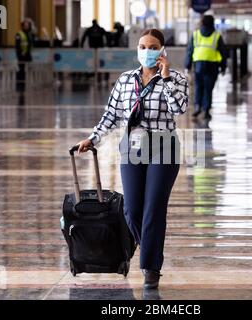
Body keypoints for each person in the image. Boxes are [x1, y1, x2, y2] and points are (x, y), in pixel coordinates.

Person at [75, 29, 188, 290]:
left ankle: (151, 267)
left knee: (153, 210)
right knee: (132, 210)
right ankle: (148, 247)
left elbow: (179, 109)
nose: (147, 51)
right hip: (133, 146)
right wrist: (93, 138)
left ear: (162, 51)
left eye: (153, 47)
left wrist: (166, 77)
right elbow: (112, 115)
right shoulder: (126, 80)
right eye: (142, 46)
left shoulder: (177, 79)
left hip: (164, 146)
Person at [185, 15, 227, 120]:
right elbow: (223, 52)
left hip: (198, 64)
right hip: (212, 65)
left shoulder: (196, 34)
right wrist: (223, 66)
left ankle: (197, 107)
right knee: (208, 89)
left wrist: (187, 66)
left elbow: (189, 51)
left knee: (198, 87)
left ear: (202, 23)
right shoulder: (217, 35)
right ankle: (206, 110)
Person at [15, 19, 34, 91]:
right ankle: (20, 84)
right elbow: (17, 46)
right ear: (22, 26)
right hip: (21, 55)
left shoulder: (29, 33)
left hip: (28, 54)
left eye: (28, 25)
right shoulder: (19, 34)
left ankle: (26, 83)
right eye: (25, 25)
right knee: (21, 70)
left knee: (28, 69)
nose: (27, 26)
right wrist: (20, 55)